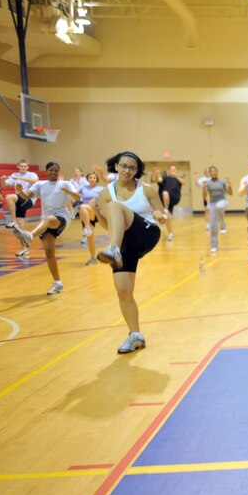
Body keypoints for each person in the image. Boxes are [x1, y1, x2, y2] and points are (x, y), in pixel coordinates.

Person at [95, 151, 168, 353]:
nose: (127, 170)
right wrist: (95, 212)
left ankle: (114, 249)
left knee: (116, 206)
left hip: (147, 234)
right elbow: (109, 226)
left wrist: (160, 215)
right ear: (115, 166)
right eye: (124, 166)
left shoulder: (147, 190)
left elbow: (161, 216)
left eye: (132, 167)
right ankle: (135, 335)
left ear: (137, 170)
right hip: (124, 241)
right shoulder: (105, 193)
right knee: (123, 291)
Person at [10, 162, 81, 294]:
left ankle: (29, 236)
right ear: (47, 171)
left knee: (48, 220)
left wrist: (69, 192)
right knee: (49, 254)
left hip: (61, 216)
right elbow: (27, 196)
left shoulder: (64, 184)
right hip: (45, 219)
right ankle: (58, 283)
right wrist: (20, 191)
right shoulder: (40, 184)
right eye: (51, 170)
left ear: (59, 171)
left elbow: (78, 197)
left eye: (56, 170)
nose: (53, 172)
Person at [1, 160, 39, 257]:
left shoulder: (31, 174)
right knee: (19, 228)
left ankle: (12, 220)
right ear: (18, 166)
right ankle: (25, 249)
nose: (23, 167)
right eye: (21, 166)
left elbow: (35, 181)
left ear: (28, 167)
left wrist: (17, 178)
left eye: (25, 166)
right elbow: (5, 185)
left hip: (28, 199)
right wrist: (2, 179)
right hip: (19, 202)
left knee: (9, 197)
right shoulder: (14, 174)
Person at [78, 171, 105, 265]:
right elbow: (74, 195)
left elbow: (105, 199)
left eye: (94, 178)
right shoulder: (83, 188)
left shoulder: (100, 189)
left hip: (95, 211)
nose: (92, 179)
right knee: (90, 238)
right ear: (87, 179)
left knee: (83, 206)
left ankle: (86, 227)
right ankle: (93, 258)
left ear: (97, 180)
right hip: (85, 215)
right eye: (90, 177)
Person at [203, 166, 232, 253]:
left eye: (214, 171)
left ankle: (223, 225)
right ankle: (213, 245)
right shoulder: (208, 183)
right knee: (213, 226)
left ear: (217, 172)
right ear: (209, 173)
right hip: (212, 204)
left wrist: (230, 186)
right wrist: (204, 188)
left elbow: (230, 193)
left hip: (222, 201)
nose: (213, 173)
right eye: (211, 171)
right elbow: (204, 195)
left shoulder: (222, 181)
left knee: (219, 207)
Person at [160, 165, 185, 241]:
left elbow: (183, 182)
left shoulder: (178, 178)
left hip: (175, 197)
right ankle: (170, 233)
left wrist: (176, 176)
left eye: (174, 169)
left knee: (165, 193)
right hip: (166, 200)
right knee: (168, 216)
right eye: (171, 169)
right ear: (168, 170)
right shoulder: (165, 178)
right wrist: (156, 172)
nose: (173, 171)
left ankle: (166, 210)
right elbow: (158, 180)